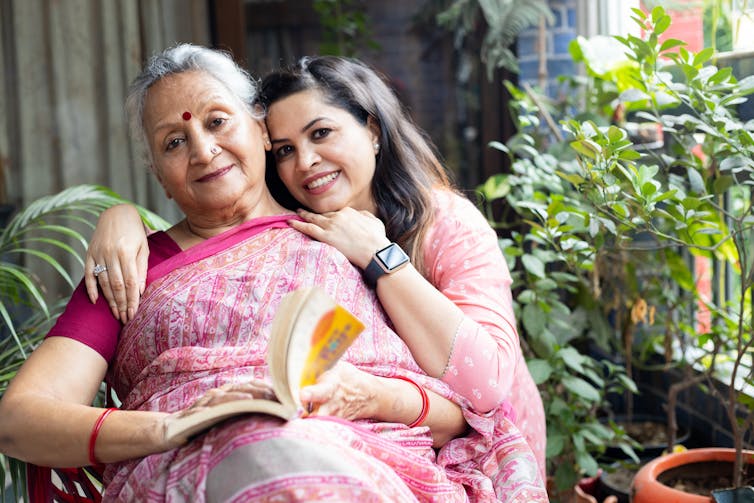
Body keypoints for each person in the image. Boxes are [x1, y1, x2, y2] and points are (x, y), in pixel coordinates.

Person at [0, 44, 547, 502]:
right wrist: (166, 429)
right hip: (191, 472)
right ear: (160, 179)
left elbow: (461, 414)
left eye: (218, 121)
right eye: (173, 142)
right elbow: (20, 419)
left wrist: (366, 395)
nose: (203, 149)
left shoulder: (353, 239)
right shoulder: (128, 273)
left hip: (364, 463)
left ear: (261, 132)